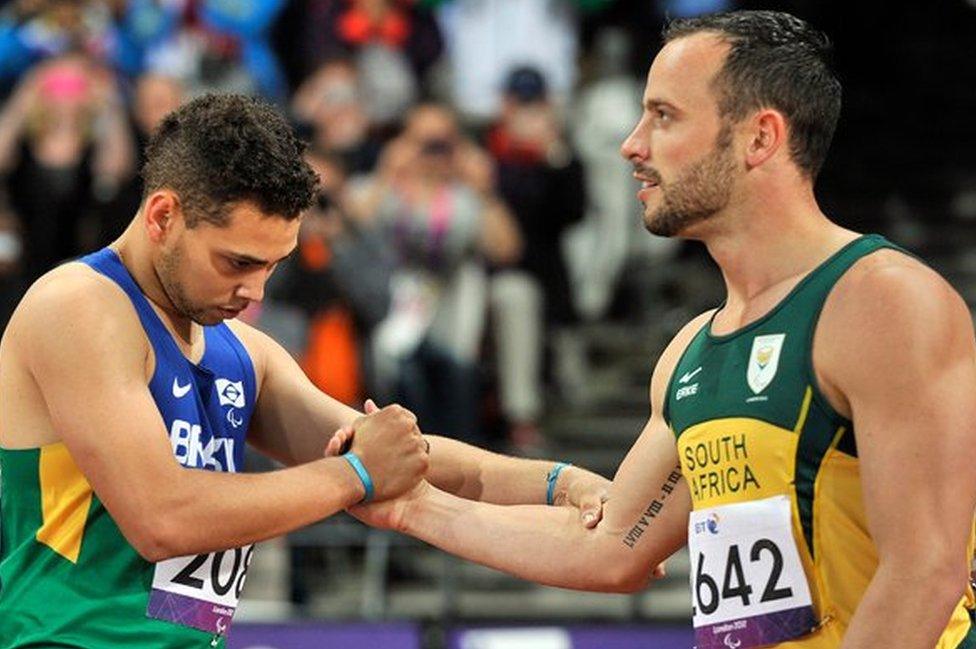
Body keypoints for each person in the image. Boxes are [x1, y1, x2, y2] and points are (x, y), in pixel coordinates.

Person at [350, 11, 976, 649]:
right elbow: (612, 547)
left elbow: (926, 571)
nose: (632, 143)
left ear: (760, 138)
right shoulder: (693, 350)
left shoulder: (884, 303)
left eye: (664, 116)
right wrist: (414, 508)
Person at [0, 93, 610, 649]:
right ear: (163, 216)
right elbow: (165, 518)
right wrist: (353, 477)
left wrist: (562, 484)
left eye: (273, 264)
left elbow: (406, 461)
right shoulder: (80, 306)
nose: (254, 289)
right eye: (237, 261)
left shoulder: (242, 350)